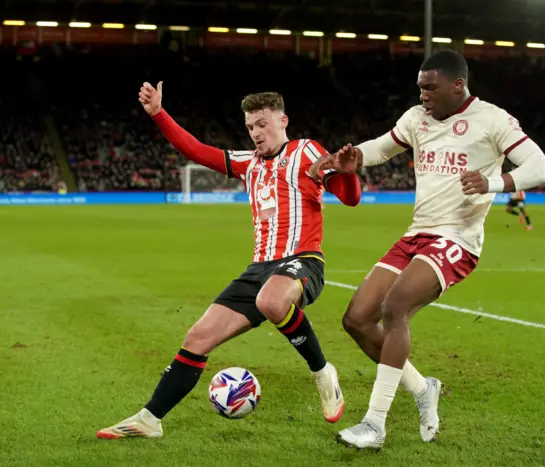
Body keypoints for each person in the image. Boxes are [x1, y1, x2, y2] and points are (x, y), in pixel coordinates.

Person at [310, 50, 545, 450]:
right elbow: (382, 148)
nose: (422, 94)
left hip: (457, 239)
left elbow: (541, 167)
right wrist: (350, 159)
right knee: (356, 319)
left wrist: (495, 182)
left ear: (458, 84)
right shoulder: (415, 118)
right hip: (417, 234)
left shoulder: (492, 119)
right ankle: (424, 389)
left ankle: (374, 425)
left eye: (430, 87)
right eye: (420, 86)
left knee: (395, 308)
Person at [96, 83, 361, 439]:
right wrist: (158, 113)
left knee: (271, 300)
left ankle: (322, 372)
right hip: (259, 268)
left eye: (262, 124)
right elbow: (195, 149)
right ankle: (150, 419)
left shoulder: (306, 151)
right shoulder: (246, 163)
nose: (255, 133)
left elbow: (350, 197)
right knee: (198, 336)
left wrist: (347, 173)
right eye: (251, 126)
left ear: (283, 120)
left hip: (302, 259)